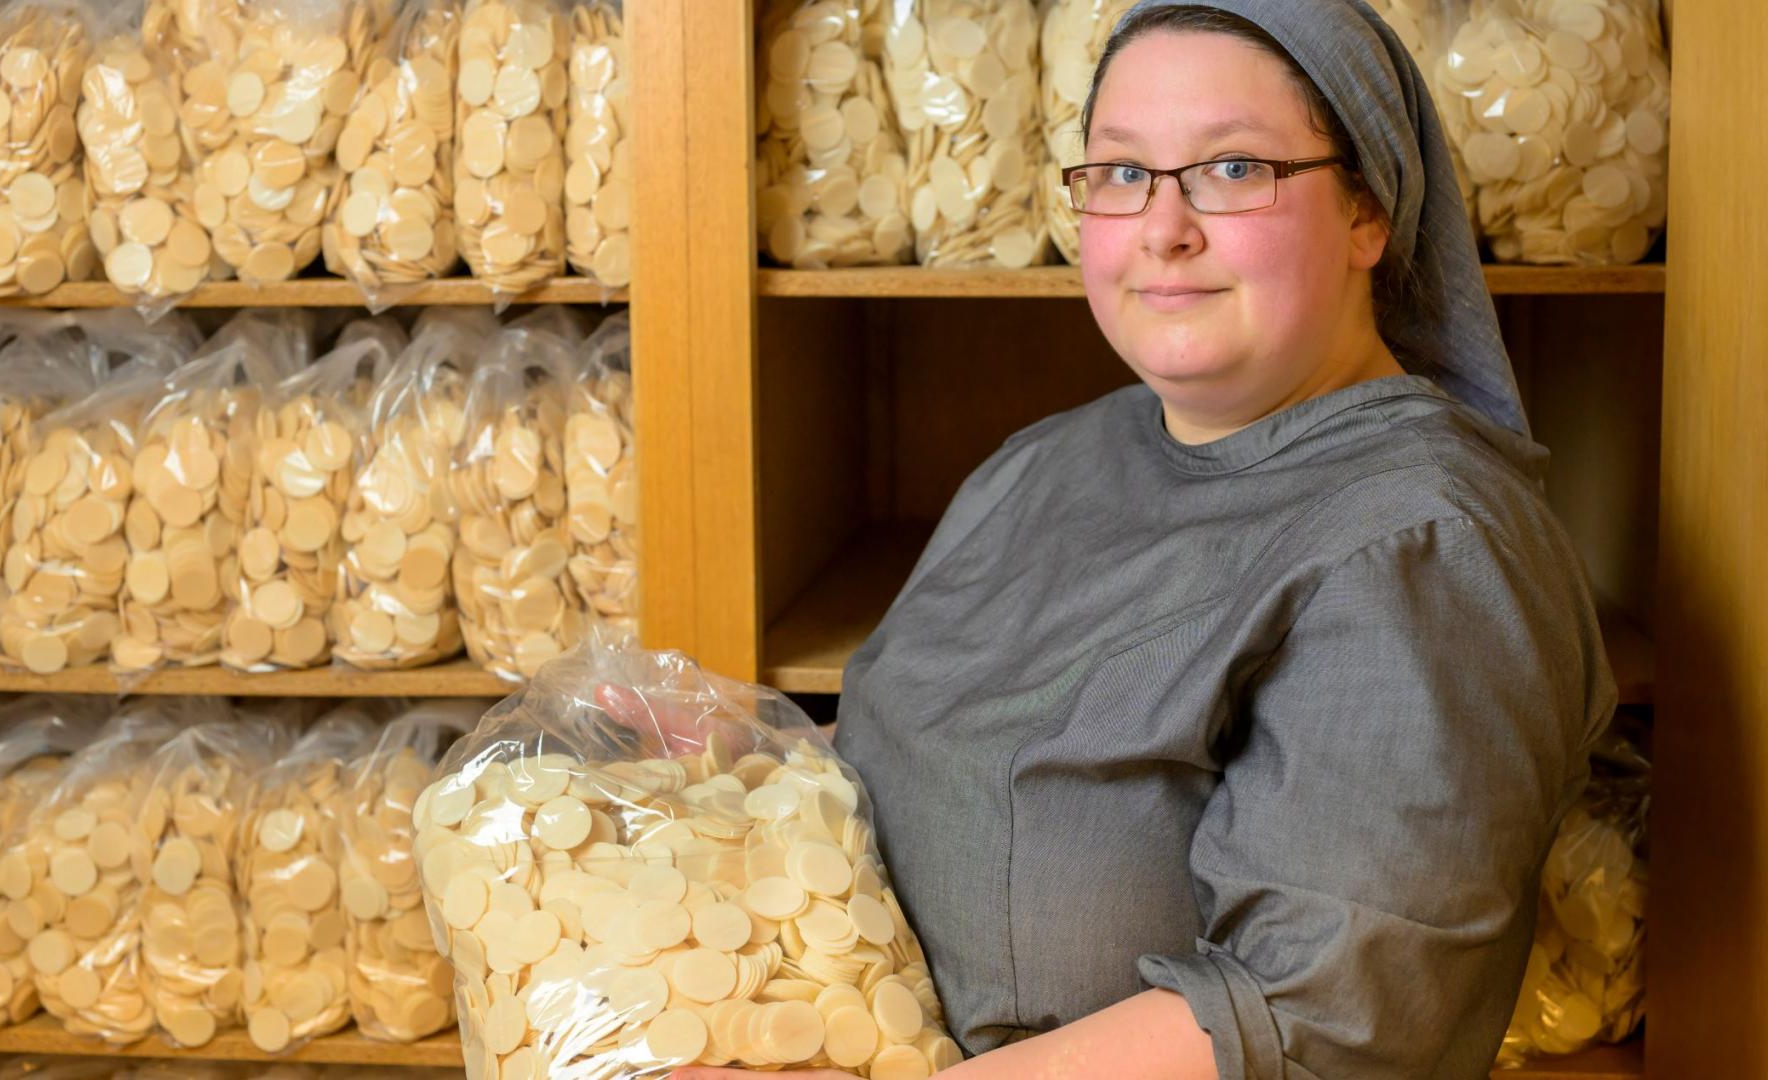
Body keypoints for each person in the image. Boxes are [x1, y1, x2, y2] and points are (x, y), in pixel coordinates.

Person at [670, 0, 1616, 1075]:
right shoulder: (1044, 463)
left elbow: (1320, 1022)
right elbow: (949, 756)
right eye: (1121, 173)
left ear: (1370, 212)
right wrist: (734, 768)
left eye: (1234, 168)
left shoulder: (1422, 546)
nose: (1164, 227)